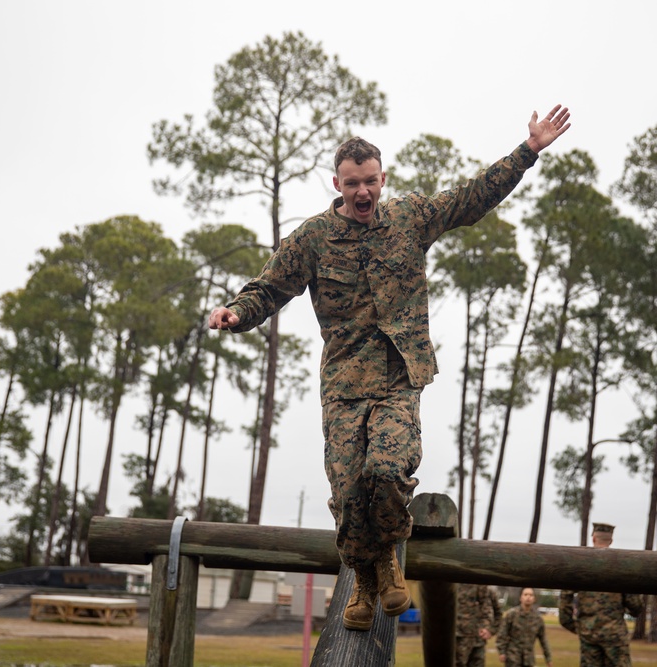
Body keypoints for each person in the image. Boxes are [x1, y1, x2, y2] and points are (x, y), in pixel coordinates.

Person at [209, 105, 571, 631]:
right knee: (347, 489)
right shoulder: (312, 238)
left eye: (371, 182)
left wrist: (528, 151)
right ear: (337, 183)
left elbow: (472, 197)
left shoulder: (411, 218)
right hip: (343, 385)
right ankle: (368, 573)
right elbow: (268, 289)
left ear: (384, 178)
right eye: (353, 183)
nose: (363, 193)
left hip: (399, 378)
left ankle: (383, 558)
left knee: (386, 471)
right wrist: (236, 313)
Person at [558, 523, 644, 666]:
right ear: (611, 541)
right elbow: (635, 606)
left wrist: (577, 626)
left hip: (589, 634)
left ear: (593, 539)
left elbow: (565, 598)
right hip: (615, 635)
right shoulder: (621, 567)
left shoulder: (581, 566)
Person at [497, 587, 552, 667]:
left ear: (534, 599)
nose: (528, 597)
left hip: (529, 660)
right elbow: (502, 634)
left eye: (531, 595)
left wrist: (548, 658)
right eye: (525, 594)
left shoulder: (538, 618)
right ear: (521, 597)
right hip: (512, 659)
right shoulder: (512, 614)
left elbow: (543, 639)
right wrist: (501, 651)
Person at [456, 583, 496, 667]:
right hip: (456, 638)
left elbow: (486, 608)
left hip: (476, 639)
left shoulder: (480, 585)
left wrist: (487, 628)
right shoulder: (451, 584)